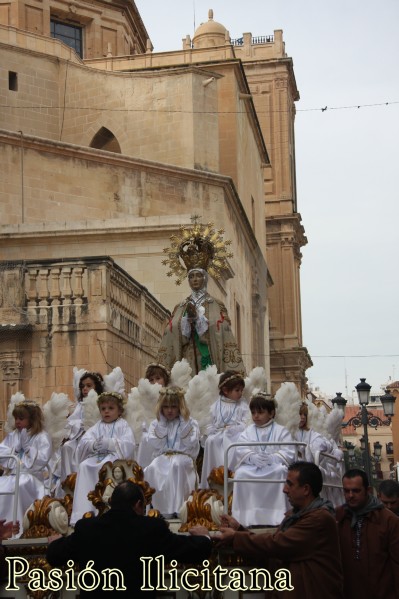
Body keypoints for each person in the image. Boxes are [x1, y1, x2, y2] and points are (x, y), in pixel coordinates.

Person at [47, 481, 212, 598]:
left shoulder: (87, 528)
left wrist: (55, 542)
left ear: (111, 503)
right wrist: (204, 535)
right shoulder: (152, 528)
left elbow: (55, 556)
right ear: (139, 504)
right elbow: (191, 550)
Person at [216, 461, 344, 599]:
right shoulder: (294, 515)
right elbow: (275, 547)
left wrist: (236, 537)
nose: (284, 489)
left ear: (306, 489)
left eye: (290, 484)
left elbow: (279, 544)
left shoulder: (319, 518)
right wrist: (239, 529)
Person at [157, 268, 245, 375]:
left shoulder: (216, 304)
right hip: (187, 359)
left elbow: (223, 327)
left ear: (205, 278)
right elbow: (171, 330)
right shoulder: (180, 306)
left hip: (208, 357)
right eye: (191, 276)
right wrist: (185, 323)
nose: (195, 279)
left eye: (198, 275)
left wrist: (200, 321)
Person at [70, 391, 135, 525]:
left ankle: (107, 508)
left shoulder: (122, 425)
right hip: (97, 456)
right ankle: (84, 510)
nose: (106, 412)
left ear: (119, 410)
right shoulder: (97, 426)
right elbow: (84, 442)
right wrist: (93, 445)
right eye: (103, 409)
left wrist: (110, 443)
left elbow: (129, 444)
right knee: (84, 466)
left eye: (111, 408)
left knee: (106, 466)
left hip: (114, 458)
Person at [231, 393, 295, 526]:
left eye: (260, 412)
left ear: (271, 413)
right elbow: (240, 449)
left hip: (273, 466)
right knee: (241, 474)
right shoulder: (248, 431)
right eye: (253, 412)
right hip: (252, 466)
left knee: (280, 472)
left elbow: (289, 451)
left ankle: (277, 516)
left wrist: (273, 458)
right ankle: (246, 517)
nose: (256, 416)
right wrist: (251, 457)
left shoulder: (281, 431)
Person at [336, 469, 399, 599]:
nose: (350, 495)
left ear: (368, 491)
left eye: (356, 490)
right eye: (346, 491)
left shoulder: (388, 520)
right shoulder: (338, 517)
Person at [144, 386, 200, 517]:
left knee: (176, 465)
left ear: (180, 407)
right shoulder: (156, 424)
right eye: (166, 407)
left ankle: (178, 509)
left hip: (183, 457)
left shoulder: (190, 423)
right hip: (163, 457)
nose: (169, 411)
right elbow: (155, 443)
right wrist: (162, 425)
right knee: (152, 468)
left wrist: (183, 423)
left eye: (174, 407)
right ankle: (161, 510)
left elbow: (190, 443)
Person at [0, 400, 52, 528]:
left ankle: (18, 525)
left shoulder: (42, 436)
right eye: (16, 418)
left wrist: (29, 448)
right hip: (12, 475)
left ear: (32, 419)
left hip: (31, 477)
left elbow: (44, 458)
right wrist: (15, 449)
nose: (17, 421)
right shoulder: (13, 435)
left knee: (19, 485)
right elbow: (2, 452)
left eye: (21, 418)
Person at [200, 371, 249, 489]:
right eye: (237, 390)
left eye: (241, 390)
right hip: (218, 434)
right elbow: (210, 423)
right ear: (226, 390)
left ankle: (232, 477)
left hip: (235, 435)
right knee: (210, 441)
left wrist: (235, 428)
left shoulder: (242, 404)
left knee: (236, 444)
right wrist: (213, 430)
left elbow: (246, 422)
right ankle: (213, 479)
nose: (240, 393)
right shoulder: (216, 405)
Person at [59, 370, 105, 485]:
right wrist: (80, 424)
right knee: (67, 447)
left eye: (89, 386)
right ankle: (70, 480)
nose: (85, 388)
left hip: (95, 437)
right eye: (82, 386)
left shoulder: (101, 402)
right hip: (79, 436)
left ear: (96, 387)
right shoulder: (80, 405)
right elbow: (71, 422)